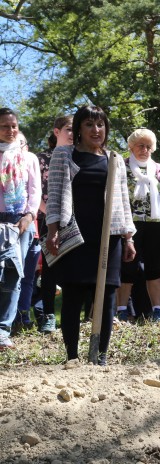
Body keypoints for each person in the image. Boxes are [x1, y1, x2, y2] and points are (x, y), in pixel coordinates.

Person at [44, 105, 136, 365]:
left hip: (109, 236)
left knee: (107, 296)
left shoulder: (114, 159)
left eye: (100, 125)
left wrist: (129, 237)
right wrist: (53, 231)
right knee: (73, 294)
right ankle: (72, 356)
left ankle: (100, 356)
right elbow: (55, 196)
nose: (96, 130)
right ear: (79, 130)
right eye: (89, 125)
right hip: (75, 233)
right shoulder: (64, 155)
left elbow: (122, 201)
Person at [116, 128, 160, 323]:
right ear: (131, 147)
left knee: (155, 267)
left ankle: (157, 310)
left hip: (157, 225)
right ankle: (122, 309)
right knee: (128, 267)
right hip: (130, 224)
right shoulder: (121, 168)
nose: (144, 149)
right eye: (140, 146)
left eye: (148, 146)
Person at [0, 109, 40, 350]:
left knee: (14, 275)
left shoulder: (29, 158)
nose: (11, 130)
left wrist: (29, 216)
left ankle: (3, 330)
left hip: (20, 221)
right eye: (5, 126)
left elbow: (35, 191)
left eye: (14, 125)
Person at [33, 115, 72, 334]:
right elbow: (34, 192)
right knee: (50, 269)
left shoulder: (82, 156)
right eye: (68, 129)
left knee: (77, 269)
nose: (73, 134)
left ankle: (76, 315)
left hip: (78, 221)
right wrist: (53, 215)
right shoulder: (40, 159)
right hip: (48, 220)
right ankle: (48, 316)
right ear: (56, 132)